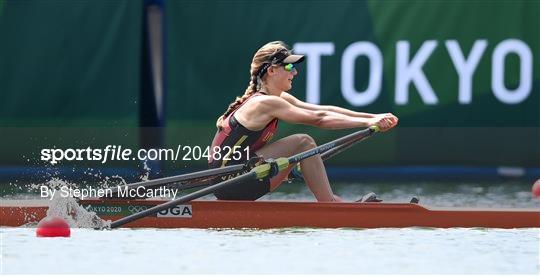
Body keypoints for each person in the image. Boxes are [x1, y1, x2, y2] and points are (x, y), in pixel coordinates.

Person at [208, 41, 398, 202]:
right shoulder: (264, 103)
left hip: (239, 176)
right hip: (229, 181)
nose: (295, 72)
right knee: (303, 142)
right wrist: (367, 123)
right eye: (289, 67)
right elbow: (319, 120)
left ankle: (337, 204)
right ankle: (330, 205)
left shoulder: (277, 98)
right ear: (272, 70)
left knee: (302, 150)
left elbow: (321, 110)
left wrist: (372, 117)